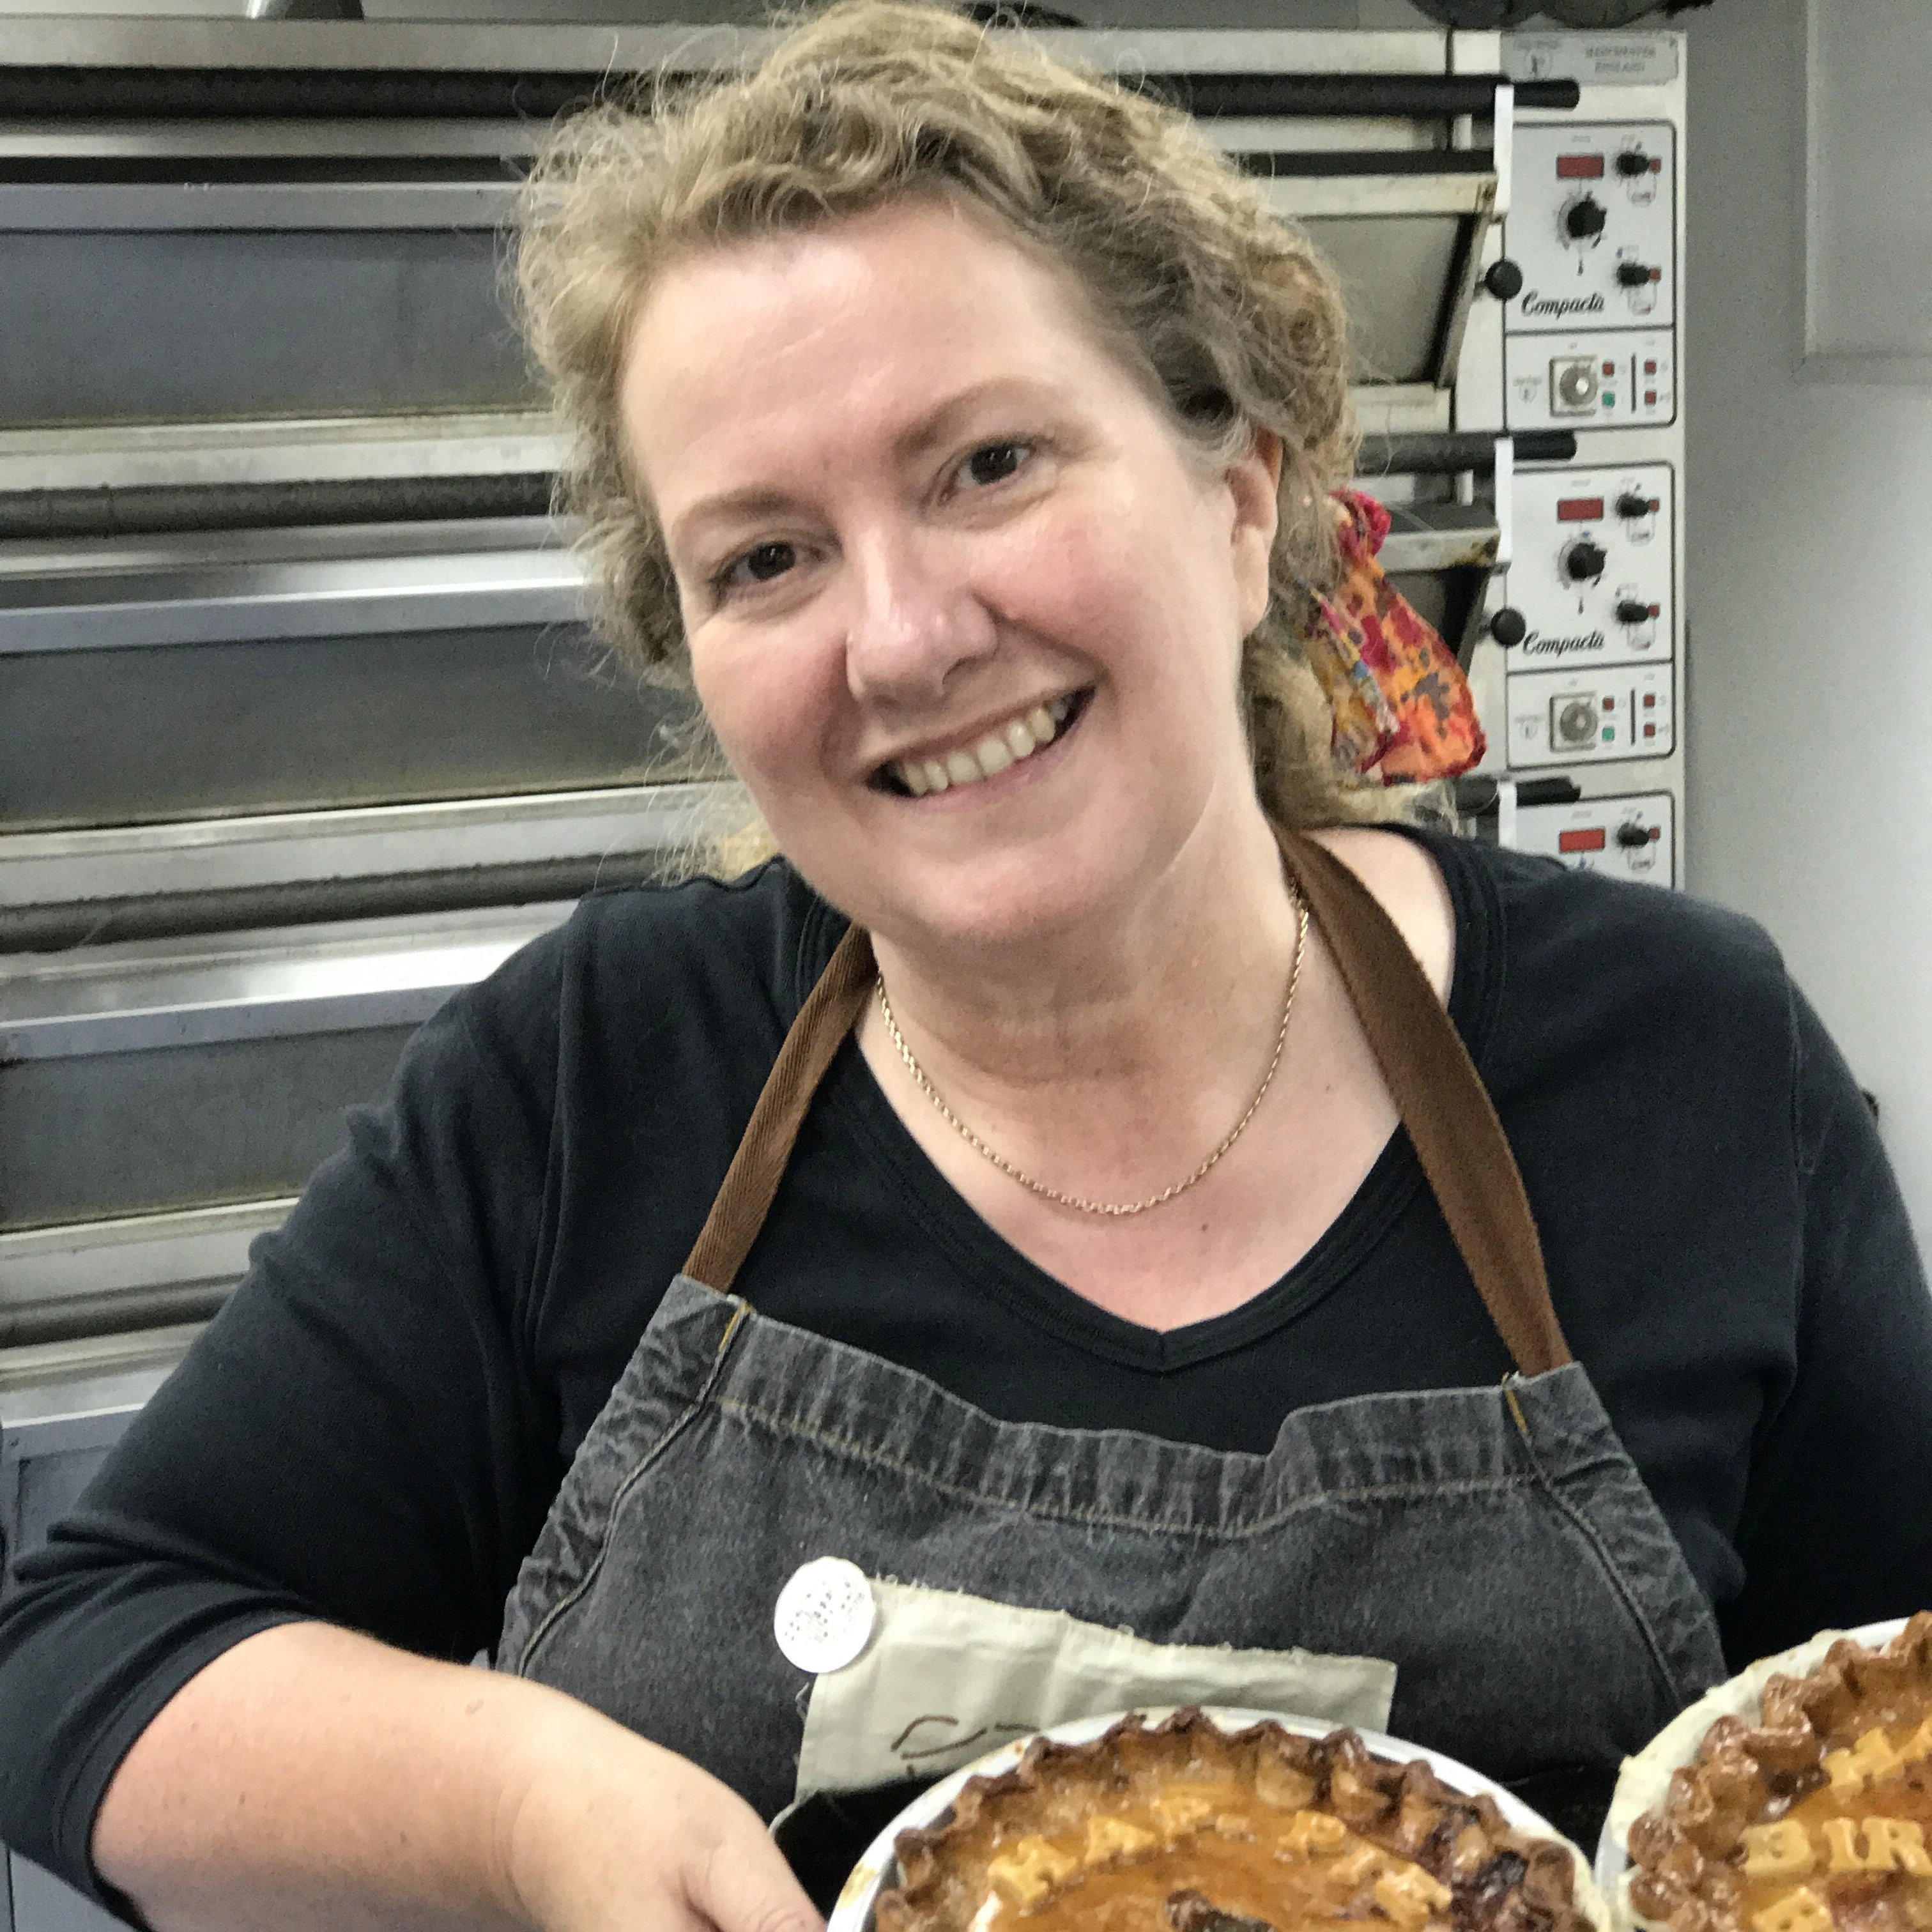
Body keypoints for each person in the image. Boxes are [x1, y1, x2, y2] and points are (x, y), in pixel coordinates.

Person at [3, 7, 1929, 1931]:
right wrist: (527, 1798)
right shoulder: (602, 1075)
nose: (905, 639)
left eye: (990, 463)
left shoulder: (1682, 1063)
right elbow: (85, 1652)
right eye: (765, 559)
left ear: (1240, 496)